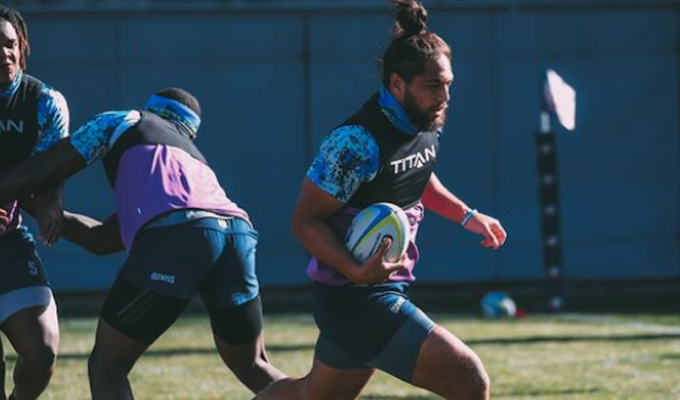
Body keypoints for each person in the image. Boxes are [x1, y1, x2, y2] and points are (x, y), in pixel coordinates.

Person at [255, 1, 507, 399]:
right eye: (434, 85)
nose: (444, 96)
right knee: (468, 379)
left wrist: (468, 216)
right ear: (396, 84)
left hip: (378, 289)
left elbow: (416, 176)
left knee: (310, 395)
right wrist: (354, 271)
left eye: (448, 84)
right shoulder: (355, 142)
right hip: (355, 299)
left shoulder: (423, 120)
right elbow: (305, 221)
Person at [0, 87, 285, 399]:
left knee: (107, 366)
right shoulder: (191, 161)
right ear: (188, 132)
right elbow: (101, 239)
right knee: (254, 365)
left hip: (183, 235)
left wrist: (29, 197)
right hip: (237, 234)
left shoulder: (124, 121)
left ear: (151, 110)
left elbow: (50, 166)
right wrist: (36, 208)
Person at [0, 5, 69, 400]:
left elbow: (50, 170)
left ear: (22, 47)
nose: (2, 53)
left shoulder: (44, 102)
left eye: (9, 44)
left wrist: (52, 205)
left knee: (42, 350)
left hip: (8, 243)